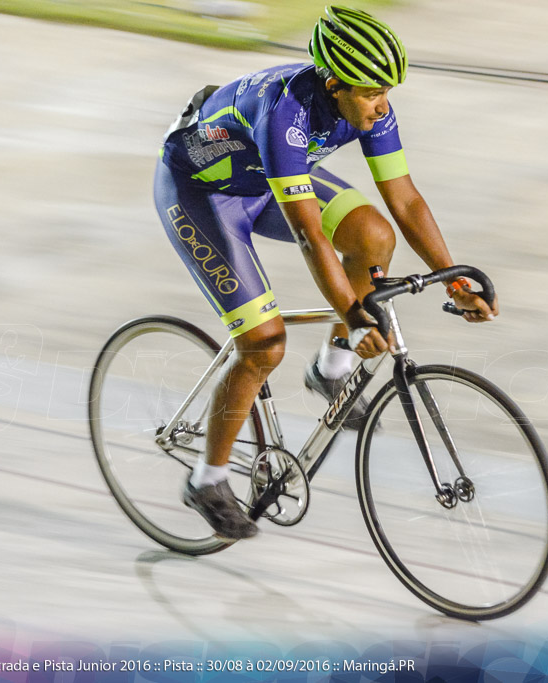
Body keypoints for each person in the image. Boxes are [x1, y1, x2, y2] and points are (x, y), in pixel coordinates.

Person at [153, 5, 499, 540]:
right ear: (334, 83)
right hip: (201, 194)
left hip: (259, 184)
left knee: (374, 236)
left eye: (389, 89)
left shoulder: (372, 108)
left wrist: (453, 279)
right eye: (370, 91)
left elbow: (405, 203)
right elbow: (310, 236)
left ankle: (331, 368)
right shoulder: (284, 114)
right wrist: (356, 317)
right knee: (264, 345)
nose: (383, 103)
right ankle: (207, 478)